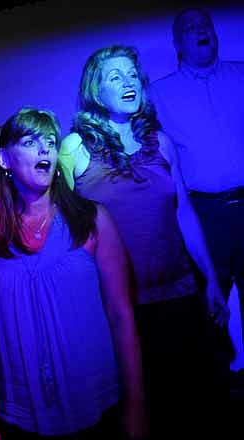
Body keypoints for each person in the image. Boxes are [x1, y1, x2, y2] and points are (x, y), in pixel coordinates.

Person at [59, 45, 229, 438]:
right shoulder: (74, 149)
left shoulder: (161, 143)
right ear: (95, 90)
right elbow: (68, 237)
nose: (128, 82)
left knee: (192, 401)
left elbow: (184, 212)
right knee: (140, 411)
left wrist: (212, 282)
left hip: (179, 292)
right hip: (119, 307)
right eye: (115, 77)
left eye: (132, 75)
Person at [0, 107, 145, 439]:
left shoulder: (92, 220)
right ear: (5, 159)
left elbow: (122, 313)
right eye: (31, 141)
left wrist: (136, 403)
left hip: (95, 404)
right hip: (16, 411)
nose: (44, 147)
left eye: (50, 139)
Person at [149, 8, 243, 370]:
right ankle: (219, 385)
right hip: (205, 215)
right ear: (178, 43)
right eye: (190, 28)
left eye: (205, 24)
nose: (201, 30)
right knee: (210, 307)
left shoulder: (242, 74)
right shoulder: (158, 94)